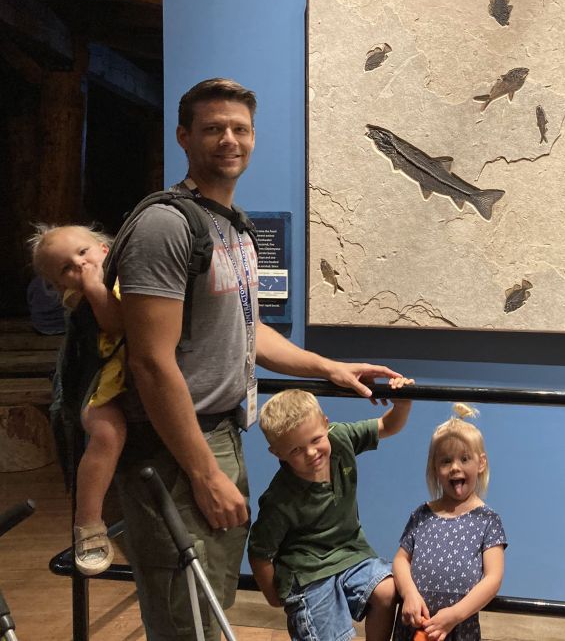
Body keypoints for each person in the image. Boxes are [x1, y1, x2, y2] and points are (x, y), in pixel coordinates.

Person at [112, 77, 411, 640]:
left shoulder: (233, 228)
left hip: (222, 433)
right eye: (213, 128)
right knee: (186, 607)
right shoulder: (164, 226)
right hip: (178, 446)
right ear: (183, 136)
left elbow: (249, 336)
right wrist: (202, 471)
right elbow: (151, 365)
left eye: (240, 129)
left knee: (212, 594)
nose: (230, 139)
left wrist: (329, 368)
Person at [248, 388, 413, 641]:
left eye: (315, 440)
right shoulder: (280, 499)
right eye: (296, 450)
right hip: (307, 572)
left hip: (350, 552)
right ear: (277, 453)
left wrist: (402, 406)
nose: (311, 453)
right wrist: (274, 597)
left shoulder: (341, 438)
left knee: (387, 590)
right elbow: (260, 552)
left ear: (326, 424)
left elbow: (386, 425)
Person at [29, 224, 126, 576]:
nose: (79, 266)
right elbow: (115, 323)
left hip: (130, 378)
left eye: (83, 253)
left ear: (103, 248)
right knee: (107, 432)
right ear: (60, 285)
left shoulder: (126, 270)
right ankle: (88, 524)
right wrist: (94, 288)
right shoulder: (82, 295)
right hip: (101, 384)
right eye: (66, 268)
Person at [392, 404, 507, 641]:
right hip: (415, 625)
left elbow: (493, 578)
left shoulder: (488, 520)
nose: (455, 467)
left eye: (464, 458)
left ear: (481, 463)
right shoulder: (421, 515)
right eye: (446, 461)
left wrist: (455, 615)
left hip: (458, 628)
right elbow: (400, 560)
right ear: (435, 468)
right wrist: (409, 594)